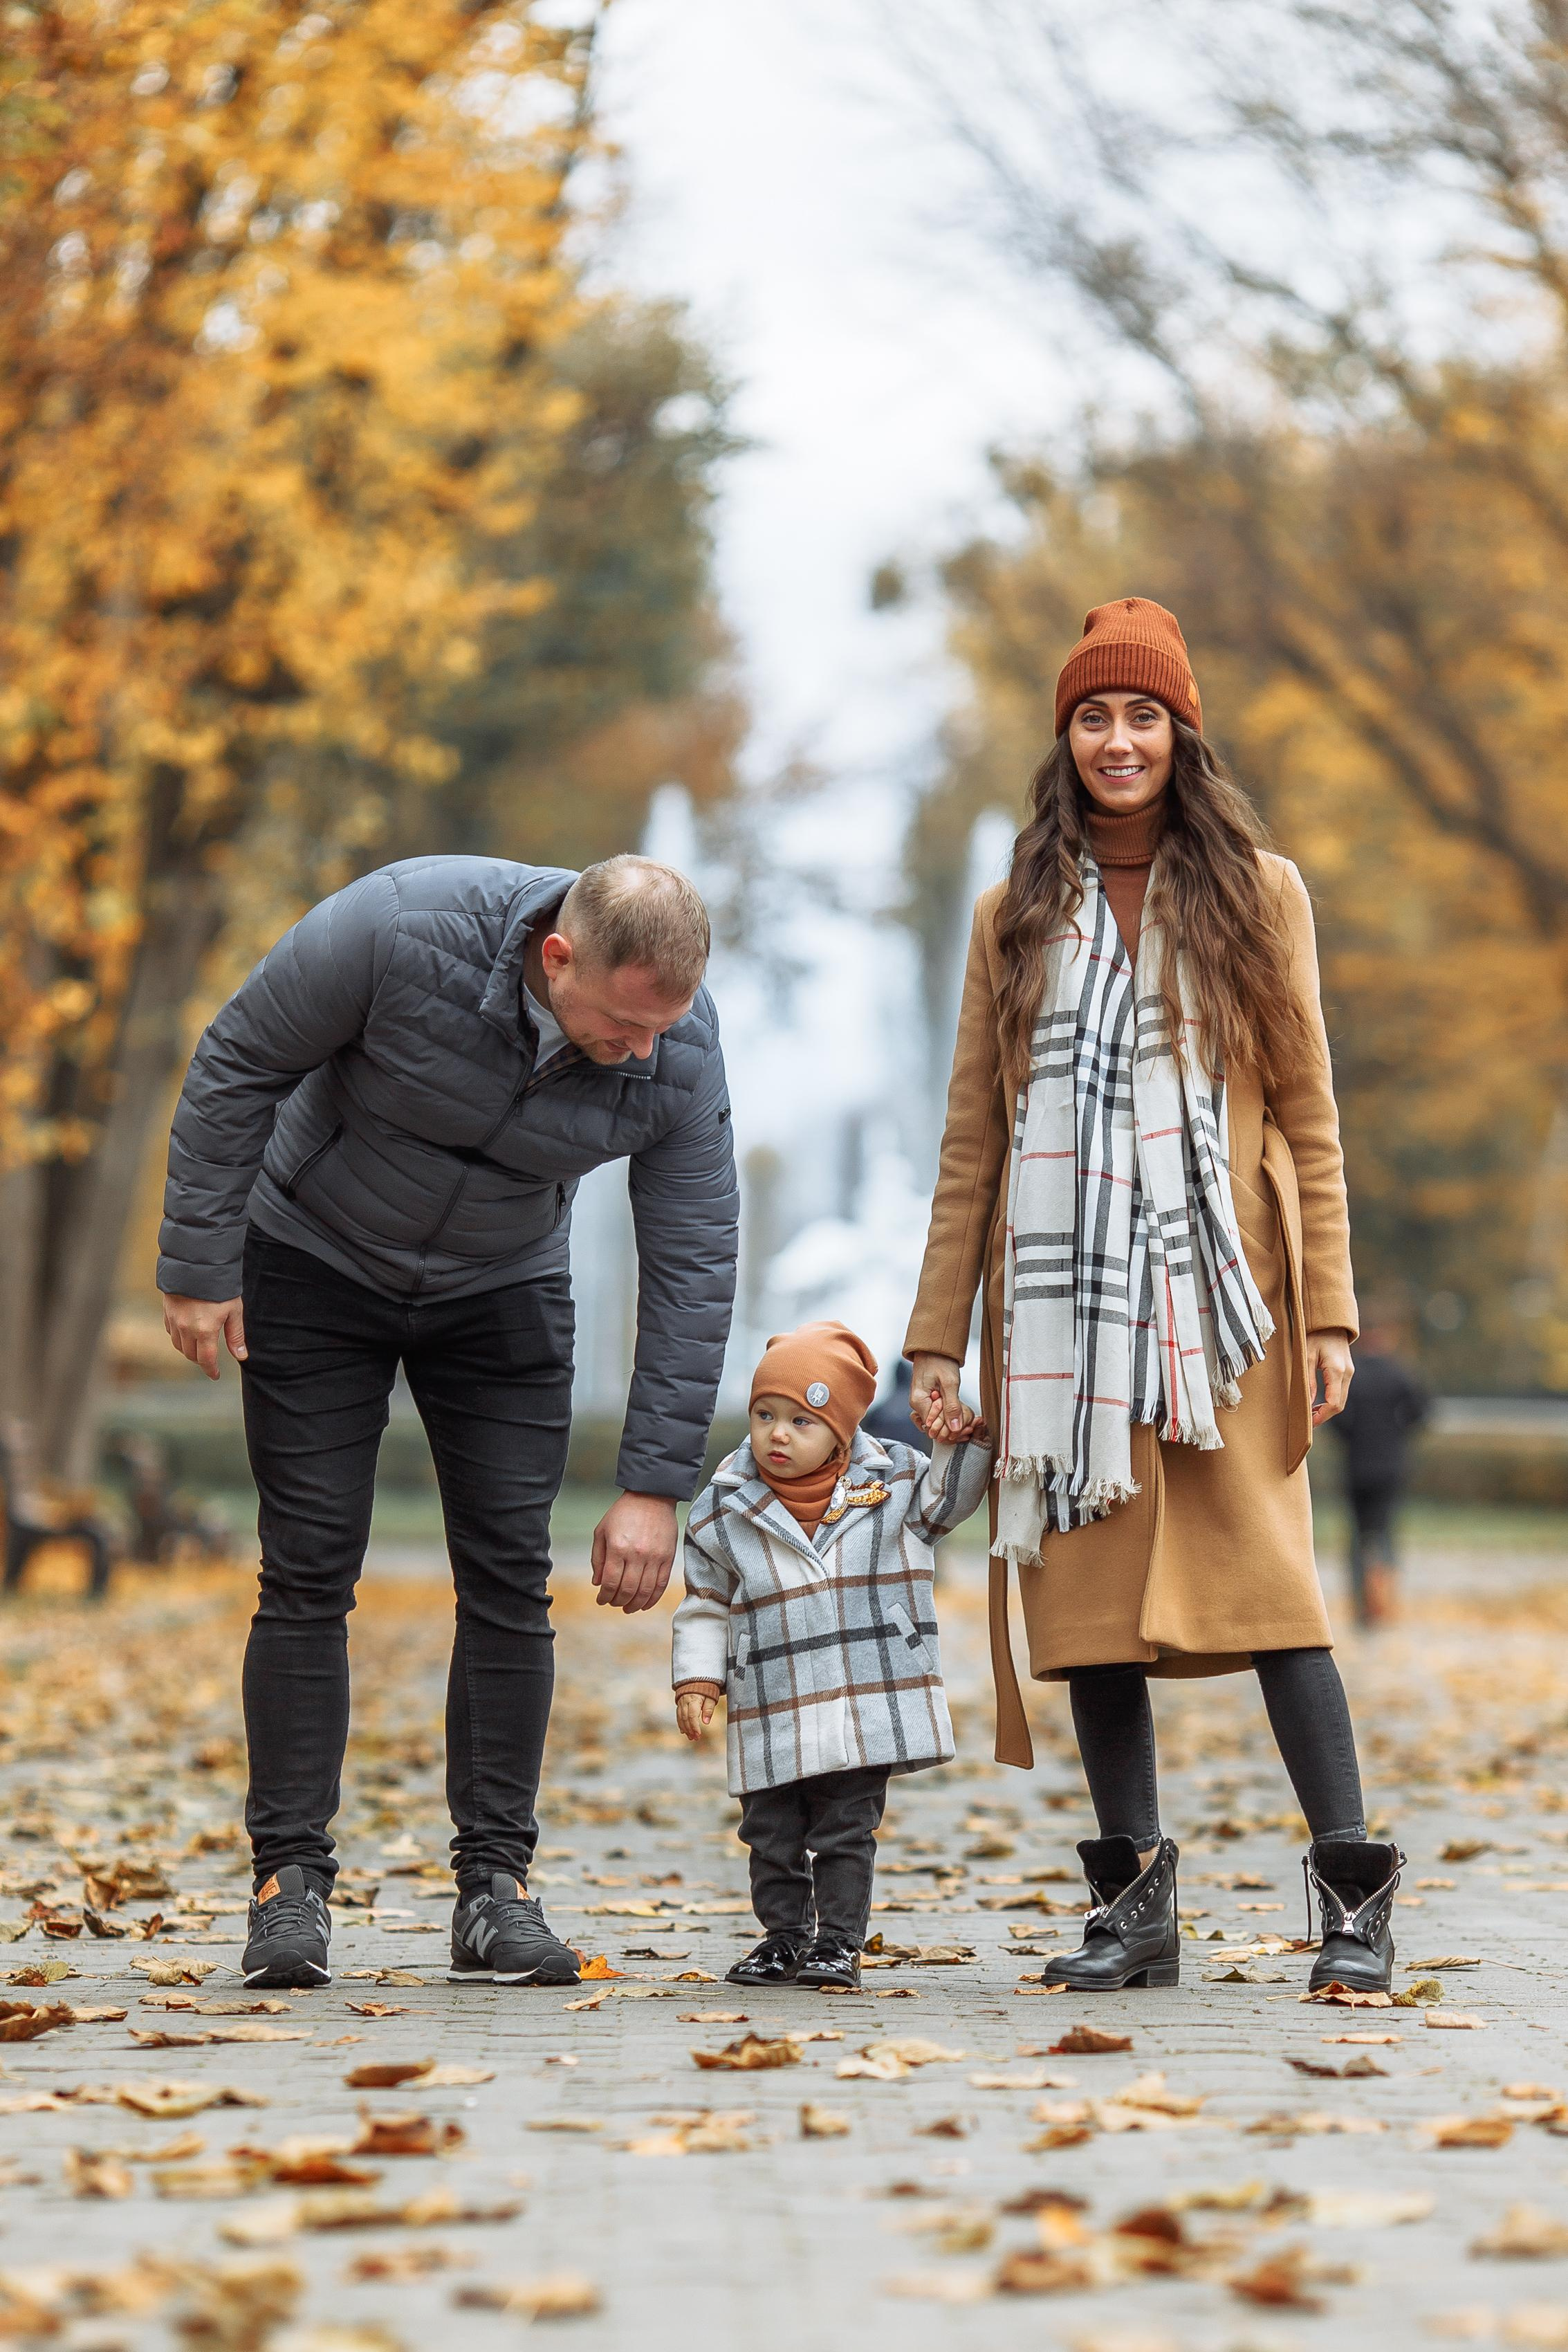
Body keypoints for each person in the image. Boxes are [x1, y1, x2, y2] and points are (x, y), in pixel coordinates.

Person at [905, 598, 1403, 1995]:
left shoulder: (1261, 891)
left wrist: (1327, 1311)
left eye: (1141, 715)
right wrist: (935, 1337)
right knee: (1091, 1615)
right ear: (1062, 737)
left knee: (1274, 1595)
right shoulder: (1011, 915)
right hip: (1057, 1322)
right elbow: (972, 1141)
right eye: (1091, 716)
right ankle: (1134, 1912)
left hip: (1223, 1307)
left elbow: (1306, 1115)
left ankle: (1351, 1902)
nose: (1116, 739)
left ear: (1181, 733)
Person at [157, 854, 738, 1991]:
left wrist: (653, 1484)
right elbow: (239, 1060)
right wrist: (197, 1263)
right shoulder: (394, 929)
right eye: (624, 1025)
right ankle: (287, 1887)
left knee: (511, 1576)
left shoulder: (680, 1049)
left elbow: (694, 1251)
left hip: (501, 1285)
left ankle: (495, 1890)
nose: (642, 1052)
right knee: (308, 1566)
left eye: (661, 1028)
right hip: (314, 1258)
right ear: (556, 958)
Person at [671, 1321, 990, 1992]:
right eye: (765, 1415)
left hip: (862, 1691)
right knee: (769, 1830)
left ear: (841, 1431)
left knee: (846, 1828)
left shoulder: (894, 1482)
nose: (777, 1435)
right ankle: (782, 1937)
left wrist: (957, 1441)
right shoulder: (722, 1507)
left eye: (801, 1421)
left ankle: (838, 1943)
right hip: (772, 1695)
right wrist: (697, 1677)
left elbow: (950, 1501)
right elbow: (704, 1601)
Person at [1331, 1308, 1431, 1628]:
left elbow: (1336, 1415)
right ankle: (1386, 1602)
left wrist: (1352, 1437)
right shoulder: (1399, 1372)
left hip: (1356, 1466)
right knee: (1386, 1533)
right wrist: (1397, 1431)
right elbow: (1423, 1410)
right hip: (1390, 1466)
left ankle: (1361, 1605)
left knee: (1358, 1536)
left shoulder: (1352, 1374)